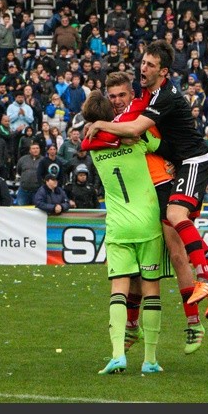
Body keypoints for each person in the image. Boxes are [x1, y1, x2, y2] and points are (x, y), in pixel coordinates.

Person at [86, 40, 208, 319]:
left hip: (188, 165)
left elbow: (136, 130)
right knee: (176, 244)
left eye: (150, 65)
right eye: (143, 62)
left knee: (177, 228)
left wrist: (102, 126)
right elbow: (143, 138)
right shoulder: (147, 95)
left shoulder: (160, 98)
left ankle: (206, 287)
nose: (143, 67)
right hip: (172, 171)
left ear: (163, 71)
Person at [84, 71, 206, 354]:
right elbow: (91, 142)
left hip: (162, 187)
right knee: (137, 270)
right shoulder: (109, 126)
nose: (117, 100)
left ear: (132, 94)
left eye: (122, 95)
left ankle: (193, 322)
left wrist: (175, 163)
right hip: (138, 201)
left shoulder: (143, 114)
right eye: (112, 96)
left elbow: (164, 143)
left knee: (177, 254)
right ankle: (131, 326)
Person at [82, 91, 167, 375]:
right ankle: (150, 360)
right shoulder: (137, 139)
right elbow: (161, 144)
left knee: (119, 288)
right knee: (151, 289)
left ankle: (118, 354)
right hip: (147, 222)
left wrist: (99, 127)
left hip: (118, 225)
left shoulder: (93, 145)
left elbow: (91, 140)